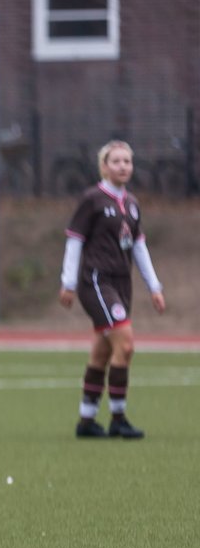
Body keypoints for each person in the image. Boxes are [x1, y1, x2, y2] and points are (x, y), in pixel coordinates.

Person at [58, 140, 167, 439]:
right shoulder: (92, 198)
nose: (123, 166)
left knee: (102, 351)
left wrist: (154, 286)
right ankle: (118, 418)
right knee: (126, 345)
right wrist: (68, 282)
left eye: (127, 162)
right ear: (104, 166)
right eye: (116, 161)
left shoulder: (132, 203)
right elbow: (74, 240)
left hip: (122, 282)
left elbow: (139, 245)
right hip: (96, 280)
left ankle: (86, 421)